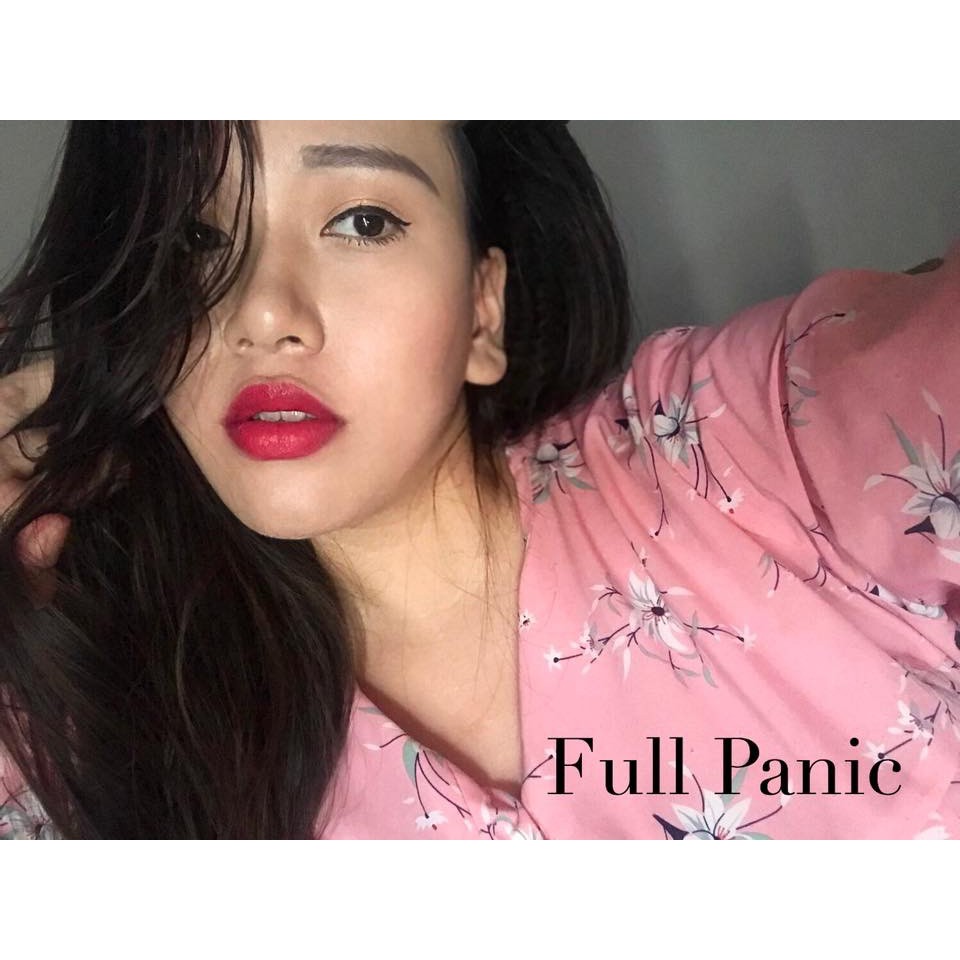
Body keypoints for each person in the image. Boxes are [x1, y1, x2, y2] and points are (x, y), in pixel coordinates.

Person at [0, 121, 957, 840]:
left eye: (362, 220)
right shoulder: (102, 711)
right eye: (195, 243)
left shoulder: (742, 448)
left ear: (482, 311)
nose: (262, 312)